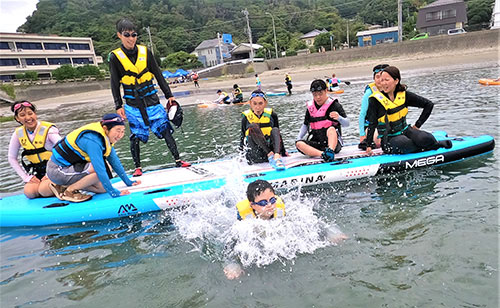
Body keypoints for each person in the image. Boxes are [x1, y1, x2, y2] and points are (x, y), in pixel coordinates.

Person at [109, 18, 190, 177]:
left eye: (134, 35)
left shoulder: (145, 52)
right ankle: (138, 167)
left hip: (152, 100)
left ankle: (178, 160)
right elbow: (114, 83)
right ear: (119, 35)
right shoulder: (114, 57)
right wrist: (118, 105)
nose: (131, 38)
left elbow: (158, 75)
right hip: (132, 103)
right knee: (135, 136)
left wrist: (169, 95)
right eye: (127, 35)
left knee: (165, 129)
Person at [224, 179, 347, 280]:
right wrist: (231, 264)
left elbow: (312, 223)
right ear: (253, 205)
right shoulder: (245, 223)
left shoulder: (280, 211)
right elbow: (230, 245)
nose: (269, 205)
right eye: (262, 203)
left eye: (272, 200)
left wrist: (331, 232)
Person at [47, 113, 140, 202]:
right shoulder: (92, 141)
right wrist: (114, 193)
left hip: (70, 169)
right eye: (118, 130)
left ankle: (63, 186)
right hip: (57, 170)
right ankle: (69, 191)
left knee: (102, 189)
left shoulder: (105, 137)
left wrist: (128, 182)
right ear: (105, 128)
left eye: (123, 131)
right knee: (104, 170)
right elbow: (99, 169)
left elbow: (115, 161)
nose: (120, 135)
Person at [364, 66, 453, 155]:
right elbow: (372, 123)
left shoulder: (404, 95)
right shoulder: (375, 100)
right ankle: (430, 146)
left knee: (427, 138)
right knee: (405, 143)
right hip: (389, 138)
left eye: (386, 80)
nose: (383, 83)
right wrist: (368, 145)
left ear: (396, 81)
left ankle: (430, 144)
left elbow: (428, 105)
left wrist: (418, 125)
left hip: (406, 130)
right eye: (382, 80)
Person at [7, 101, 62, 199]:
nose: (28, 118)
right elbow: (12, 158)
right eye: (22, 115)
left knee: (44, 190)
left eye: (30, 113)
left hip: (55, 169)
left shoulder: (49, 130)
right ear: (17, 118)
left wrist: (50, 173)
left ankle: (65, 186)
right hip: (38, 172)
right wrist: (26, 177)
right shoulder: (18, 134)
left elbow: (64, 150)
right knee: (29, 192)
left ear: (35, 114)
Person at [296, 79, 349, 162]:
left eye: (320, 94)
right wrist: (298, 138)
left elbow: (347, 124)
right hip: (317, 142)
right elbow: (305, 125)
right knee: (299, 144)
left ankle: (330, 151)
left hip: (333, 144)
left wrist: (339, 118)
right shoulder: (310, 107)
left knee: (331, 129)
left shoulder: (335, 105)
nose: (318, 97)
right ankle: (322, 154)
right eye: (315, 95)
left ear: (326, 91)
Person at [240, 90, 287, 170]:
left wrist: (283, 151)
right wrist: (241, 156)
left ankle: (276, 155)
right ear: (250, 104)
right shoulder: (245, 118)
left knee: (275, 129)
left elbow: (278, 134)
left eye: (260, 103)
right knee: (253, 127)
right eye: (254, 103)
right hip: (256, 154)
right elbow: (242, 137)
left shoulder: (272, 115)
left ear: (265, 103)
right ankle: (270, 154)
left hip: (273, 153)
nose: (257, 107)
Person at [358, 64, 388, 150]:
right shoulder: (369, 93)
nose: (380, 80)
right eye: (377, 77)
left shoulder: (392, 91)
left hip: (387, 123)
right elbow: (362, 114)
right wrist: (362, 134)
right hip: (372, 126)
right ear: (374, 79)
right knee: (378, 142)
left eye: (382, 77)